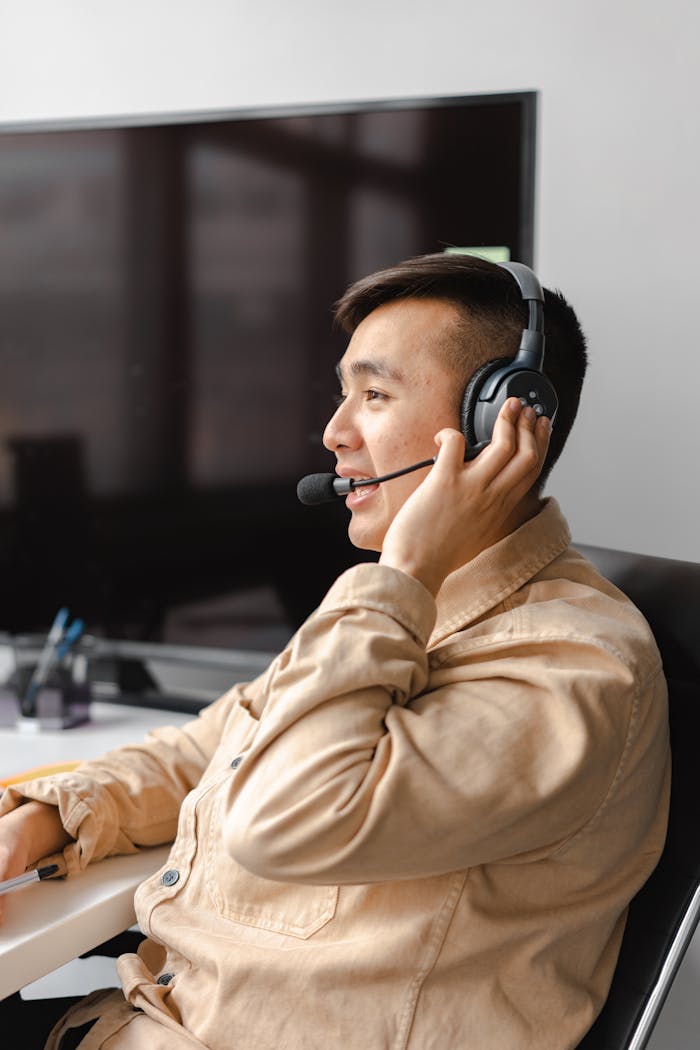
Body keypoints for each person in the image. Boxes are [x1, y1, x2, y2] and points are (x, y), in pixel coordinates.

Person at [0, 253, 670, 1049]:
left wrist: (404, 570)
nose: (334, 432)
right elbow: (215, 746)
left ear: (502, 420)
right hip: (157, 1016)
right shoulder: (409, 613)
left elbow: (284, 819)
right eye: (342, 393)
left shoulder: (570, 668)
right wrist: (46, 820)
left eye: (375, 394)